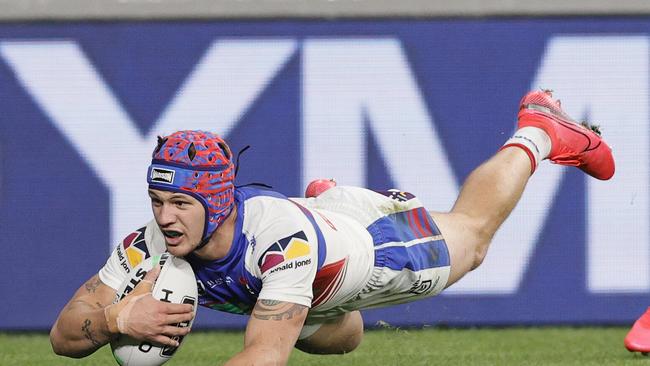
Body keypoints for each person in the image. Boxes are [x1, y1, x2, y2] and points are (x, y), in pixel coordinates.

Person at [49, 89, 615, 364]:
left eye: (180, 203)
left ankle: (540, 132)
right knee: (341, 338)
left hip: (371, 248)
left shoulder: (278, 243)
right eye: (156, 199)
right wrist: (115, 316)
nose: (164, 217)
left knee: (473, 238)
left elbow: (264, 358)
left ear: (217, 201)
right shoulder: (150, 244)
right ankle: (329, 206)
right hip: (314, 260)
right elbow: (64, 336)